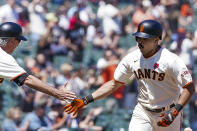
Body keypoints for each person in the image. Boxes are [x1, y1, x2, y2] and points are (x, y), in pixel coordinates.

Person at [64, 20, 195, 131]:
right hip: (143, 111)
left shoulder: (171, 60)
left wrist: (176, 110)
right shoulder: (132, 58)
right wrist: (86, 99)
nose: (140, 41)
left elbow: (189, 87)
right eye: (138, 37)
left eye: (145, 38)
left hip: (169, 112)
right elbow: (114, 84)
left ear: (156, 40)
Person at [0, 22, 75, 101]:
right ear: (12, 41)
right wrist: (57, 93)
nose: (18, 44)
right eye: (19, 40)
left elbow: (21, 78)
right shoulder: (3, 57)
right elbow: (27, 79)